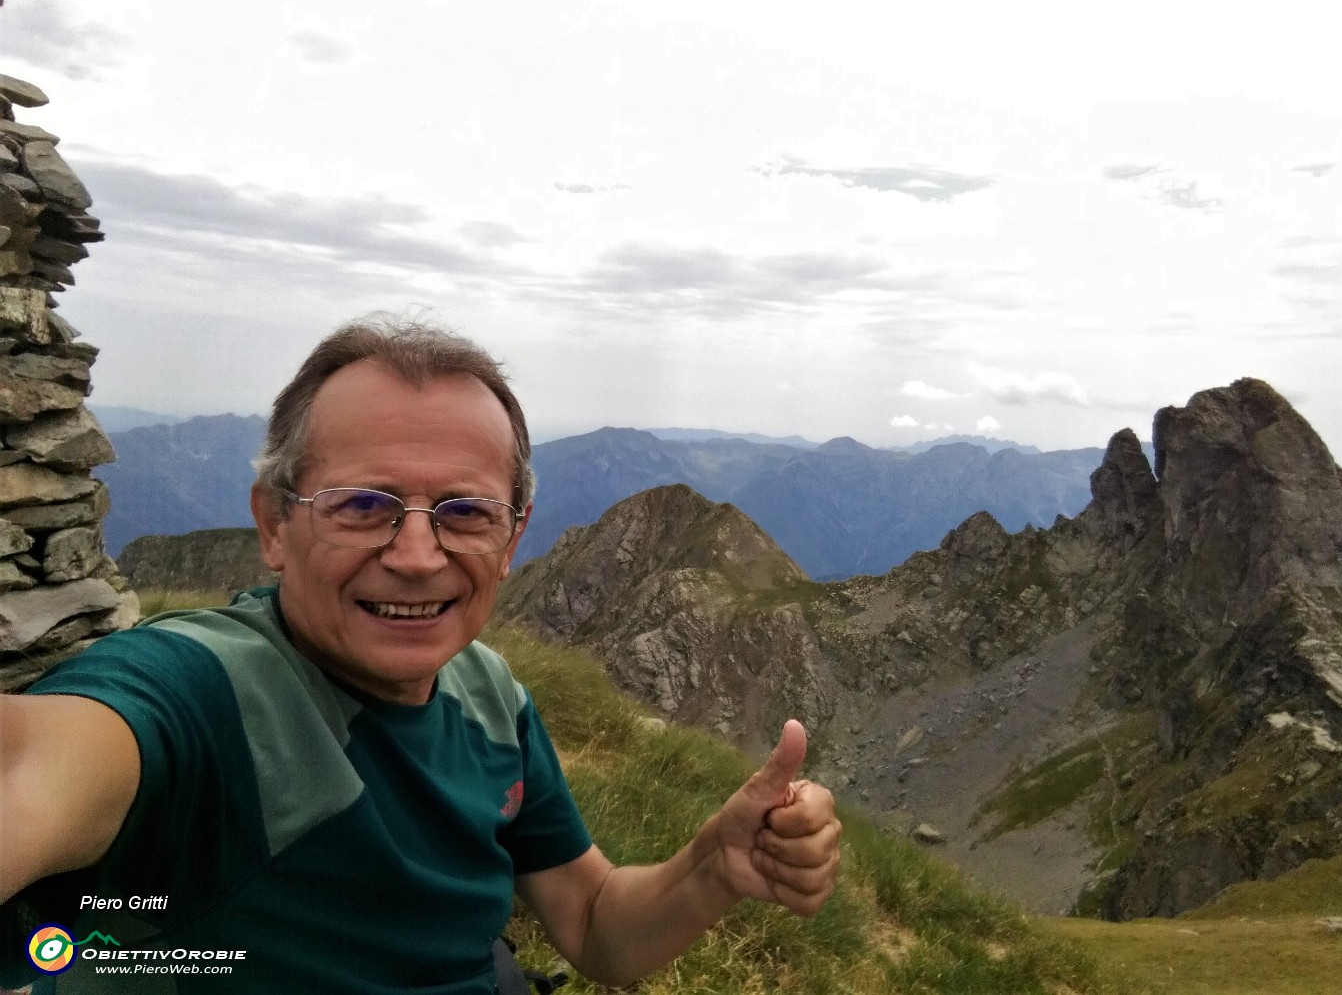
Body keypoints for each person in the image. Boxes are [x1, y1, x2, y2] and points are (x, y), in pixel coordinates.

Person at [0, 315, 841, 993]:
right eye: (362, 504)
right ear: (272, 524)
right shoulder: (202, 696)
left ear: (513, 540)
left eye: (465, 512)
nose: (415, 553)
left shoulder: (488, 694)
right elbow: (38, 761)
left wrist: (711, 867)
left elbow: (590, 922)